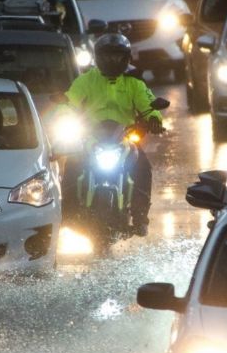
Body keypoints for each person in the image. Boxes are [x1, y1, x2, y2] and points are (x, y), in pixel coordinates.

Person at [62, 33, 163, 236]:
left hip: (124, 139)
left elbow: (149, 105)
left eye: (118, 56)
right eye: (108, 56)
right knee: (71, 165)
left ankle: (140, 217)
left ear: (126, 58)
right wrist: (63, 116)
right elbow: (68, 103)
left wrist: (154, 118)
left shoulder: (135, 84)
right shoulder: (85, 81)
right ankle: (67, 213)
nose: (112, 61)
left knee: (143, 168)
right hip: (90, 139)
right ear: (98, 57)